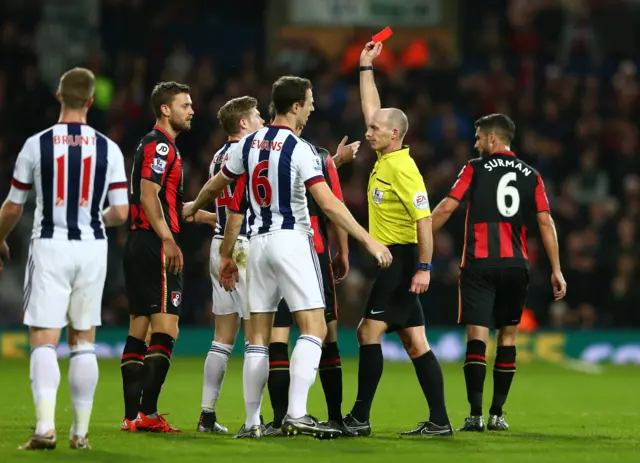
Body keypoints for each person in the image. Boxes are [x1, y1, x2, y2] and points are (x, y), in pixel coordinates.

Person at [183, 75, 392, 439]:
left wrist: (194, 205)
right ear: (295, 106)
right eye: (309, 102)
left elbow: (219, 182)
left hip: (255, 245)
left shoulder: (246, 144)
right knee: (314, 328)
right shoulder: (301, 149)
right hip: (292, 239)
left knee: (258, 338)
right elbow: (328, 203)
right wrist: (368, 241)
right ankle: (296, 412)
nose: (312, 108)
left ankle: (251, 423)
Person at [0, 67, 129, 450]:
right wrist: (94, 219)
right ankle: (80, 434)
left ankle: (44, 429)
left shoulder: (36, 144)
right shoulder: (109, 148)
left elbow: (12, 206)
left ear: (59, 97)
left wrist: (0, 239)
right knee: (83, 341)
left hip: (51, 245)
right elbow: (121, 212)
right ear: (90, 101)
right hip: (92, 248)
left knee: (43, 340)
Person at [341, 41, 452, 437]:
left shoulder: (404, 169)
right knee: (415, 342)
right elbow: (374, 110)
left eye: (374, 129)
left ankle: (359, 417)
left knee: (367, 332)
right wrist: (365, 67)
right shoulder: (386, 155)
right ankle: (439, 421)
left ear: (394, 134)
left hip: (403, 261)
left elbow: (424, 220)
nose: (367, 130)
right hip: (400, 260)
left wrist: (424, 267)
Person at [430, 113, 567, 432]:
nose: (475, 143)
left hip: (479, 263)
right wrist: (557, 269)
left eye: (478, 137)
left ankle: (475, 415)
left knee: (477, 337)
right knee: (507, 337)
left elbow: (448, 206)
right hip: (516, 266)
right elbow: (545, 222)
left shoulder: (474, 168)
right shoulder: (532, 174)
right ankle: (497, 414)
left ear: (493, 139)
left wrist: (416, 237)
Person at [119, 81, 215, 434]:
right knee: (167, 328)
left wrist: (206, 215)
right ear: (165, 109)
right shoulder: (160, 146)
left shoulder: (156, 146)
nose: (191, 111)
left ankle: (132, 416)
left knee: (139, 329)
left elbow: (171, 204)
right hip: (155, 244)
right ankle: (148, 413)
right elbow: (149, 194)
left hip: (139, 242)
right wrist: (168, 239)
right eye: (185, 105)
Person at [197, 96, 264, 433]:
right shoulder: (248, 153)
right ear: (243, 123)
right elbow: (239, 209)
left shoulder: (217, 158)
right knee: (257, 336)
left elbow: (220, 205)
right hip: (240, 247)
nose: (262, 121)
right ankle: (254, 420)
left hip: (218, 243)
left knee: (222, 337)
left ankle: (207, 415)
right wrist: (231, 254)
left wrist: (197, 210)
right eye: (257, 116)